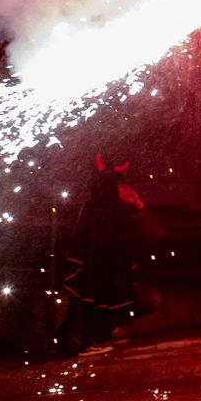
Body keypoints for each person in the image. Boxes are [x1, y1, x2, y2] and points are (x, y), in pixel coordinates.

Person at [56, 151, 157, 352]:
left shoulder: (121, 211)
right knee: (96, 301)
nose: (127, 189)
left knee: (133, 297)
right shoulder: (102, 209)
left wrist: (139, 205)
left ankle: (102, 333)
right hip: (96, 275)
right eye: (120, 186)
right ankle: (92, 338)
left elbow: (154, 232)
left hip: (111, 275)